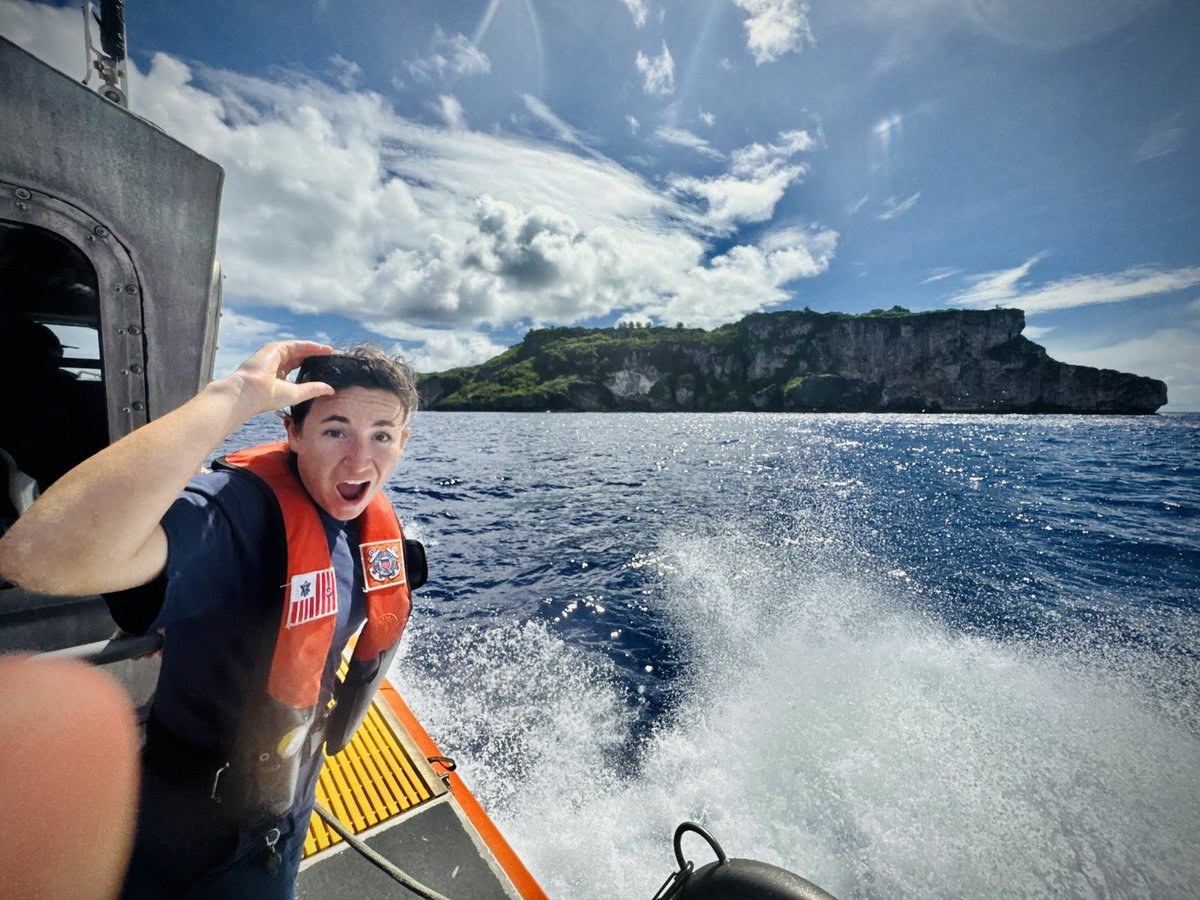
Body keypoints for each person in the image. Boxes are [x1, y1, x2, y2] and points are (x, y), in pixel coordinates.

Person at [0, 340, 421, 899]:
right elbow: (38, 555)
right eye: (335, 430)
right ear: (292, 434)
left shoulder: (368, 526)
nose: (359, 460)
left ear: (403, 441)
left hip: (287, 802)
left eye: (382, 436)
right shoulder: (238, 511)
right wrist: (231, 397)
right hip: (193, 826)